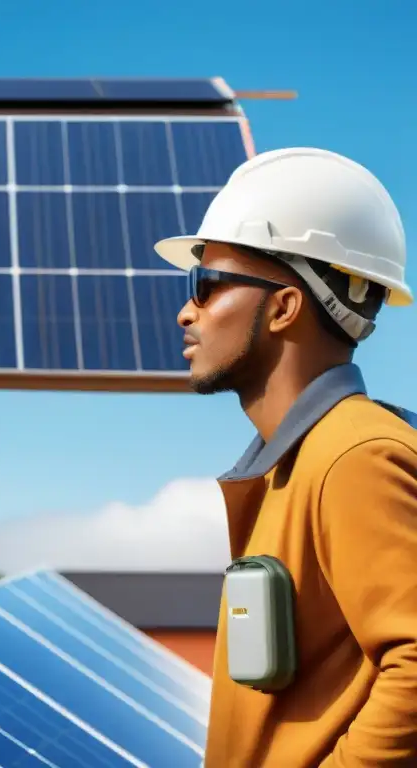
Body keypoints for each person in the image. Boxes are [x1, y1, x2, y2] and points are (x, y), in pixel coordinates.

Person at [153, 147, 417, 766]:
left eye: (208, 285)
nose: (186, 310)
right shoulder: (295, 464)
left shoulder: (357, 456)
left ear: (284, 307)